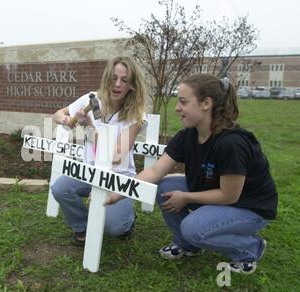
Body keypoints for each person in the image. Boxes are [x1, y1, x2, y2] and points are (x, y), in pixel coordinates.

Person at [106, 73, 278, 274]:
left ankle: (249, 248)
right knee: (165, 187)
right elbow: (155, 170)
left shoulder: (232, 144)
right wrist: (118, 193)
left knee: (192, 228)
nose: (177, 108)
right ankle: (189, 246)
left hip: (249, 207)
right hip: (217, 195)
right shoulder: (187, 135)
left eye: (183, 102)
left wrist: (186, 197)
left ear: (206, 103)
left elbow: (229, 195)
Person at [51, 56, 148, 245]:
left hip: (118, 178)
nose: (117, 84)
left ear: (132, 85)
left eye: (124, 80)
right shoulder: (92, 99)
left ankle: (127, 220)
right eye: (113, 78)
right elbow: (57, 114)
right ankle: (82, 226)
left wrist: (89, 128)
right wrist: (66, 120)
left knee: (114, 228)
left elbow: (117, 156)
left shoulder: (136, 115)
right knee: (60, 188)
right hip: (90, 171)